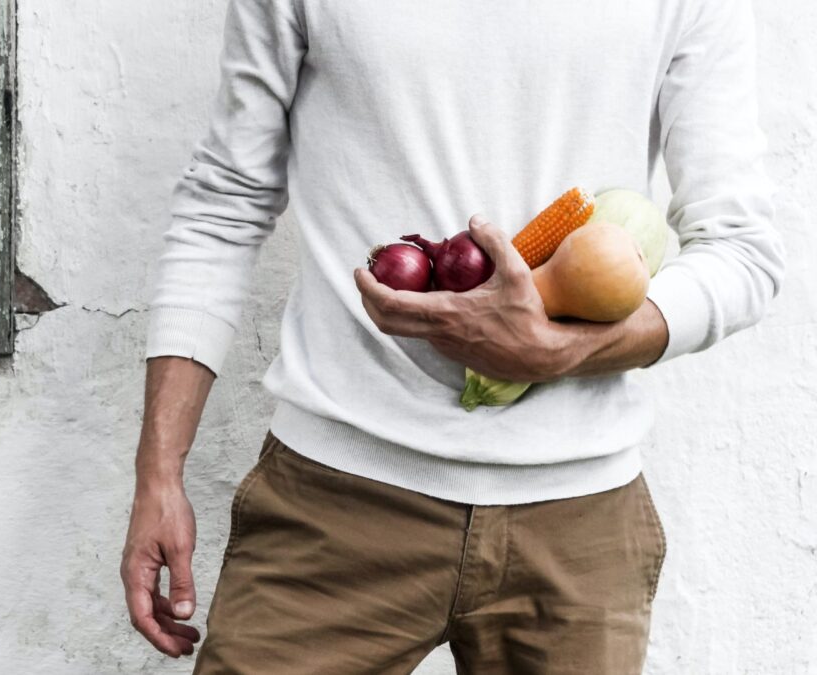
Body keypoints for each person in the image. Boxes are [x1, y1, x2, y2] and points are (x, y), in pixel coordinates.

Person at [121, 0, 785, 672]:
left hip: (579, 527)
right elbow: (224, 205)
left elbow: (740, 250)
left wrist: (563, 351)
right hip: (335, 500)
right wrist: (158, 472)